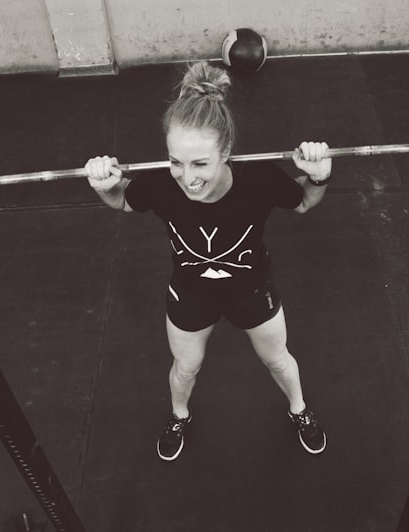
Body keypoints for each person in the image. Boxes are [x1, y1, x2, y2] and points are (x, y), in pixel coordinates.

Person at [85, 62, 332, 461]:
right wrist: (103, 184)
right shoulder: (159, 185)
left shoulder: (260, 181)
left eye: (200, 163)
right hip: (191, 292)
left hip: (251, 289)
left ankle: (299, 409)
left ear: (227, 152)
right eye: (175, 162)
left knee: (277, 360)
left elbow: (303, 200)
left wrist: (318, 176)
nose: (186, 177)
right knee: (185, 368)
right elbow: (122, 200)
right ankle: (178, 415)